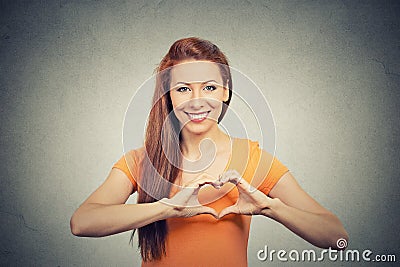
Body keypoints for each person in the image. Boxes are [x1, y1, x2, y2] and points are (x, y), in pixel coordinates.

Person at [70, 37, 349, 266]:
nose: (197, 101)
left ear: (225, 92)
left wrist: (269, 207)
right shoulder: (142, 161)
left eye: (209, 87)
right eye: (182, 89)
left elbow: (337, 236)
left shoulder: (251, 158)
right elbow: (82, 222)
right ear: (168, 95)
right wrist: (167, 208)